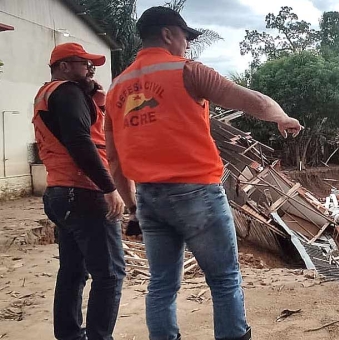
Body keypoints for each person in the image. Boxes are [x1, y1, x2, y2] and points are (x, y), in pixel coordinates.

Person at [104, 6, 302, 340]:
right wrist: (280, 116)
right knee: (224, 280)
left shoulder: (116, 88)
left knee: (162, 285)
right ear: (168, 34)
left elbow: (113, 159)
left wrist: (134, 205)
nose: (188, 45)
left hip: (150, 199)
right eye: (185, 37)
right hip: (198, 194)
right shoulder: (187, 71)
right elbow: (249, 100)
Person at [32, 43, 126, 340]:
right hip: (83, 192)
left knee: (73, 271)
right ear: (63, 66)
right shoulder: (68, 91)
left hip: (60, 192)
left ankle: (70, 335)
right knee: (109, 274)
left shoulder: (51, 95)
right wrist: (109, 187)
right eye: (83, 63)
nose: (89, 69)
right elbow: (79, 141)